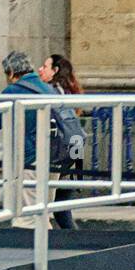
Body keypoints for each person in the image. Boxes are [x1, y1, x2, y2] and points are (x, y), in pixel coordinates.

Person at [0, 51, 57, 230]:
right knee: (43, 213)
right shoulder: (47, 88)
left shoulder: (13, 91)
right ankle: (49, 253)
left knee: (26, 217)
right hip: (54, 157)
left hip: (30, 159)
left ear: (11, 72)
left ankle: (30, 255)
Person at [48, 55, 83, 231]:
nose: (41, 70)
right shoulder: (71, 90)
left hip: (60, 150)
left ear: (55, 71)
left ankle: (79, 242)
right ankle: (77, 240)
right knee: (62, 206)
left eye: (45, 66)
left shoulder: (52, 91)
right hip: (74, 148)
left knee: (59, 206)